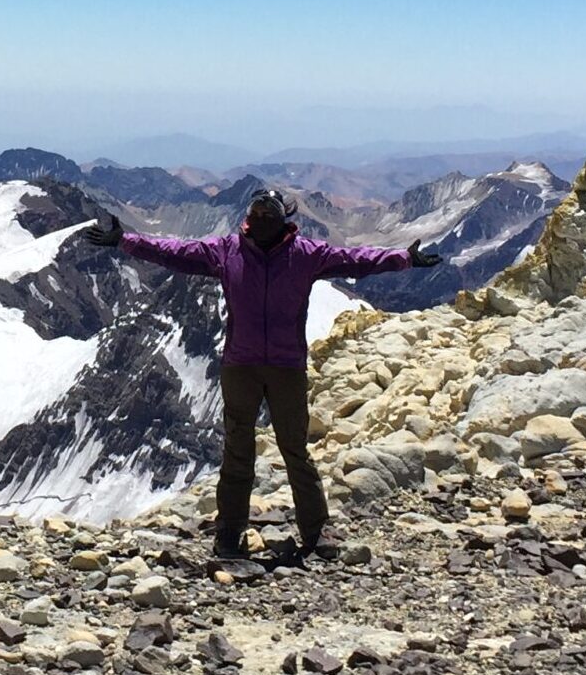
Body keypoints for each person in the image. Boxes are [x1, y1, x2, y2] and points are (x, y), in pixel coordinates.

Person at [84, 188, 441, 562]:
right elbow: (174, 252)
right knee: (243, 451)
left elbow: (356, 259)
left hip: (273, 366)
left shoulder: (305, 255)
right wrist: (125, 241)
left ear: (283, 221)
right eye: (256, 212)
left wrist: (403, 259)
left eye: (267, 214)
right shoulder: (228, 250)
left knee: (290, 450)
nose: (259, 220)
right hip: (248, 366)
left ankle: (310, 530)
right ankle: (233, 533)